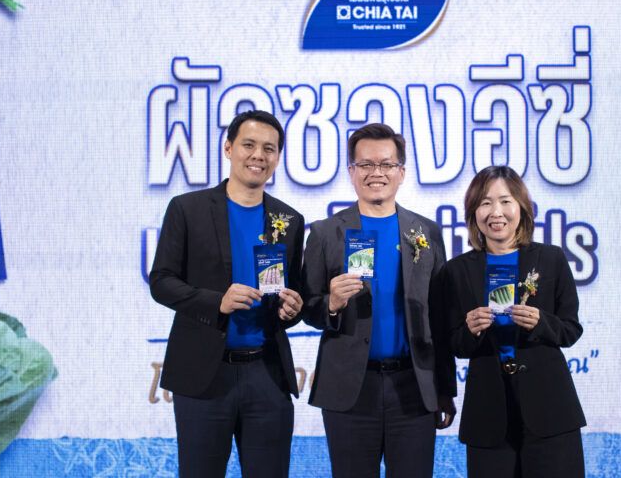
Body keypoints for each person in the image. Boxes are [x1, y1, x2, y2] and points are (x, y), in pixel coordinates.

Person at [149, 110, 305, 477]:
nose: (258, 155)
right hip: (203, 375)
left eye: (269, 148)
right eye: (249, 145)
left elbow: (289, 295)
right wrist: (216, 302)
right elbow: (161, 281)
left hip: (267, 374)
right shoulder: (187, 209)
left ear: (277, 157)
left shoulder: (289, 220)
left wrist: (292, 310)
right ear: (228, 148)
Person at [302, 123, 456, 478]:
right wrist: (331, 304)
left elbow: (440, 317)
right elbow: (307, 306)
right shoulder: (325, 233)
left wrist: (444, 389)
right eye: (366, 165)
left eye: (386, 164)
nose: (377, 173)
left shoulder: (427, 232)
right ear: (351, 171)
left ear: (401, 172)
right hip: (350, 391)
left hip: (413, 387)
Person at [444, 165, 586, 477]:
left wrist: (541, 323)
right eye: (485, 203)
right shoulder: (457, 270)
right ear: (473, 213)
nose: (496, 212)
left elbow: (571, 329)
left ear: (521, 207)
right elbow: (452, 343)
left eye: (505, 201)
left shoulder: (551, 259)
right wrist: (470, 329)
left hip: (550, 408)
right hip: (487, 412)